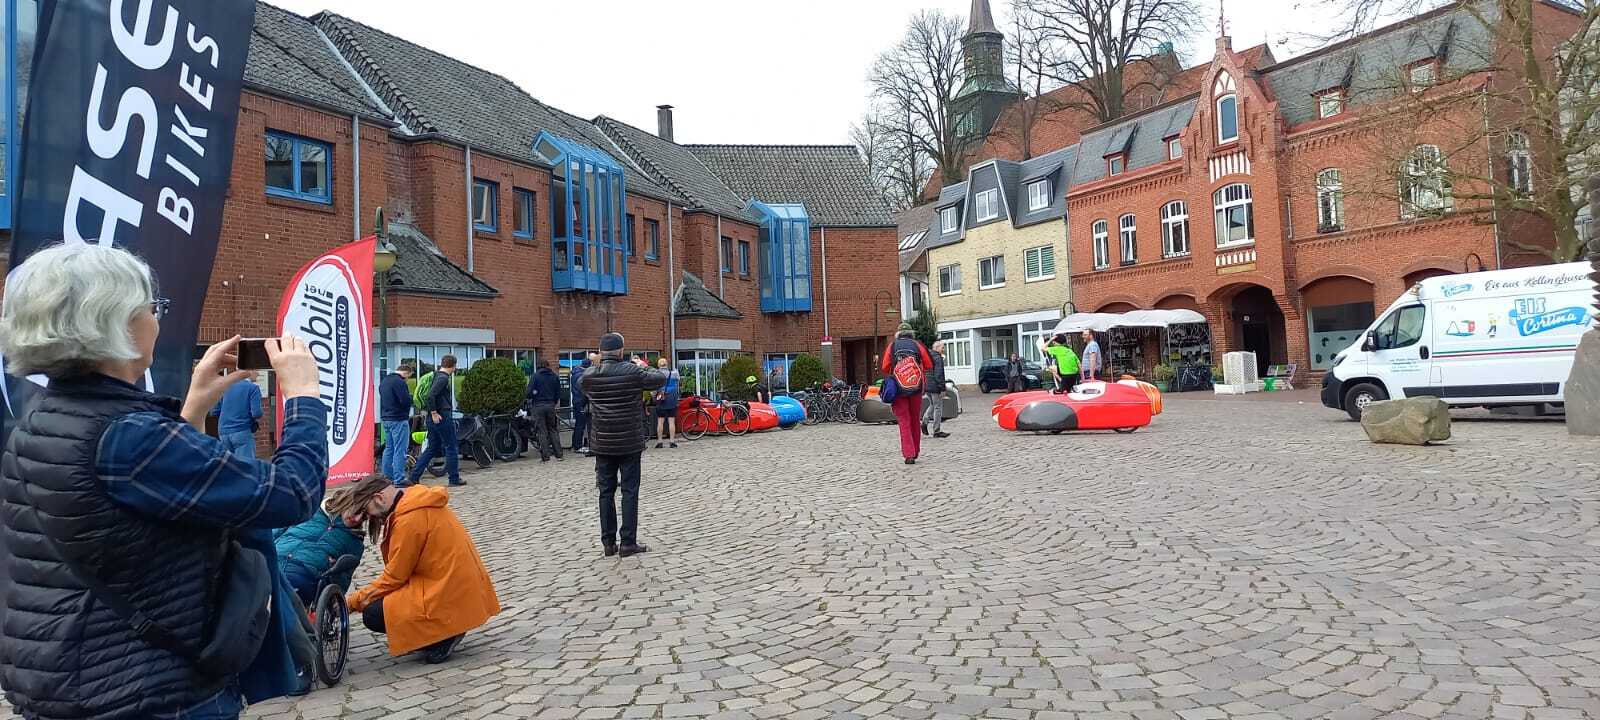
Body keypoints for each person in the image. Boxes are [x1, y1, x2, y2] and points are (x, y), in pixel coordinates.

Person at [0, 243, 329, 719]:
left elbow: (132, 505)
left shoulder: (41, 420)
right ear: (116, 322)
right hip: (147, 690)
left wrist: (193, 408)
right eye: (152, 308)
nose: (158, 319)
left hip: (70, 674)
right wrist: (303, 395)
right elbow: (293, 492)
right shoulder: (128, 436)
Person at [329, 476, 500, 665]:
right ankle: (440, 631)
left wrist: (351, 603)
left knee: (374, 614)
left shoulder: (408, 519)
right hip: (456, 586)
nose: (368, 518)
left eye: (367, 511)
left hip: (446, 592)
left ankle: (443, 636)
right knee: (386, 603)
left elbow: (394, 578)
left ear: (379, 498)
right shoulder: (414, 500)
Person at [580, 333, 665, 557]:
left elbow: (580, 384)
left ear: (601, 352)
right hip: (629, 441)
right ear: (621, 350)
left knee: (605, 492)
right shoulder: (633, 372)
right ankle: (628, 542)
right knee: (629, 491)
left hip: (603, 442)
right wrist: (642, 365)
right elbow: (659, 378)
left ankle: (608, 543)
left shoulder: (590, 375)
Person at [273, 504, 366, 696]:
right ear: (346, 502)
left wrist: (333, 607)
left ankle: (300, 662)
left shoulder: (353, 541)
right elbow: (274, 532)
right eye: (357, 511)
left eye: (364, 517)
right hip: (275, 561)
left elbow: (342, 578)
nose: (357, 519)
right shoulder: (308, 511)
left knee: (285, 595)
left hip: (305, 573)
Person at [879, 324, 934, 465]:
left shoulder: (892, 346)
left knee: (904, 421)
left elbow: (885, 367)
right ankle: (916, 451)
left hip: (898, 388)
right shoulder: (918, 345)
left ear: (898, 334)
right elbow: (929, 364)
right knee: (915, 419)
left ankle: (909, 454)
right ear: (911, 333)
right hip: (916, 387)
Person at [407, 354, 464, 487]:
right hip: (441, 416)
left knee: (432, 448)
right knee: (451, 446)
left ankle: (414, 476)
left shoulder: (435, 375)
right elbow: (431, 396)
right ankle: (454, 478)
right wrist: (434, 412)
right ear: (453, 366)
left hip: (432, 418)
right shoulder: (443, 378)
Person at [209, 372, 263, 459]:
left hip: (223, 432)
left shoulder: (226, 386)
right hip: (242, 430)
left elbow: (214, 411)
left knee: (228, 464)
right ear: (250, 371)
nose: (258, 374)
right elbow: (256, 413)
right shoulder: (253, 388)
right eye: (256, 370)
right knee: (245, 464)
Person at [379, 363, 415, 485]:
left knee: (389, 448)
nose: (408, 379)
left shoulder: (385, 381)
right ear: (407, 373)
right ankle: (399, 479)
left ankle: (386, 478)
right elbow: (405, 401)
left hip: (386, 418)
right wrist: (411, 398)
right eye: (409, 376)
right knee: (400, 449)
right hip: (398, 419)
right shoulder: (400, 382)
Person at [526, 359, 564, 461]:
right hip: (550, 405)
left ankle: (546, 456)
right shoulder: (554, 376)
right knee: (553, 430)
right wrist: (553, 402)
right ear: (548, 365)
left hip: (538, 406)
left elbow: (528, 393)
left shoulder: (535, 376)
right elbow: (558, 393)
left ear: (538, 366)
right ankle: (559, 454)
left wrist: (534, 394)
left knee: (541, 431)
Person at [922, 340, 950, 439]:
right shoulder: (938, 358)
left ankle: (924, 422)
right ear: (937, 348)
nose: (943, 349)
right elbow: (939, 374)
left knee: (932, 405)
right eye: (942, 347)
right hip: (935, 386)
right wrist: (942, 388)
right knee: (938, 407)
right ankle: (936, 431)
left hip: (927, 385)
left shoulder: (927, 356)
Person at [570, 352, 597, 455]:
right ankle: (578, 446)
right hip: (582, 402)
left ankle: (576, 444)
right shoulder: (583, 375)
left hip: (577, 401)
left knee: (579, 424)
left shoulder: (575, 373)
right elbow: (584, 391)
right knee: (582, 425)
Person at [654, 357, 680, 449]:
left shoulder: (656, 375)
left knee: (660, 421)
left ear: (658, 365)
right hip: (672, 400)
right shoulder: (674, 374)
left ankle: (660, 442)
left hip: (660, 399)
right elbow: (678, 382)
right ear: (667, 364)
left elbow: (653, 390)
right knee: (671, 421)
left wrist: (655, 397)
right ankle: (672, 442)